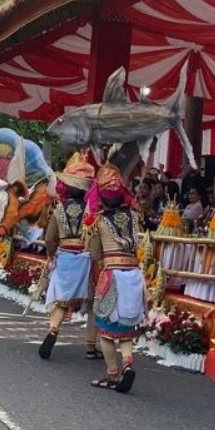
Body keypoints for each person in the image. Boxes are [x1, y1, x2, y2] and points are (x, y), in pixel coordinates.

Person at [88, 164, 146, 393]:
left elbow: (94, 253)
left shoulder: (99, 221)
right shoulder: (134, 216)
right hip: (134, 275)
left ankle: (112, 375)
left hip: (112, 274)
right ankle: (128, 364)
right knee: (125, 330)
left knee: (105, 329)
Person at [38, 155, 95, 360]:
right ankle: (91, 345)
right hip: (86, 259)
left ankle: (53, 329)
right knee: (92, 303)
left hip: (65, 258)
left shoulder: (59, 209)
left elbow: (50, 238)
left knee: (62, 301)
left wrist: (52, 254)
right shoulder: (92, 211)